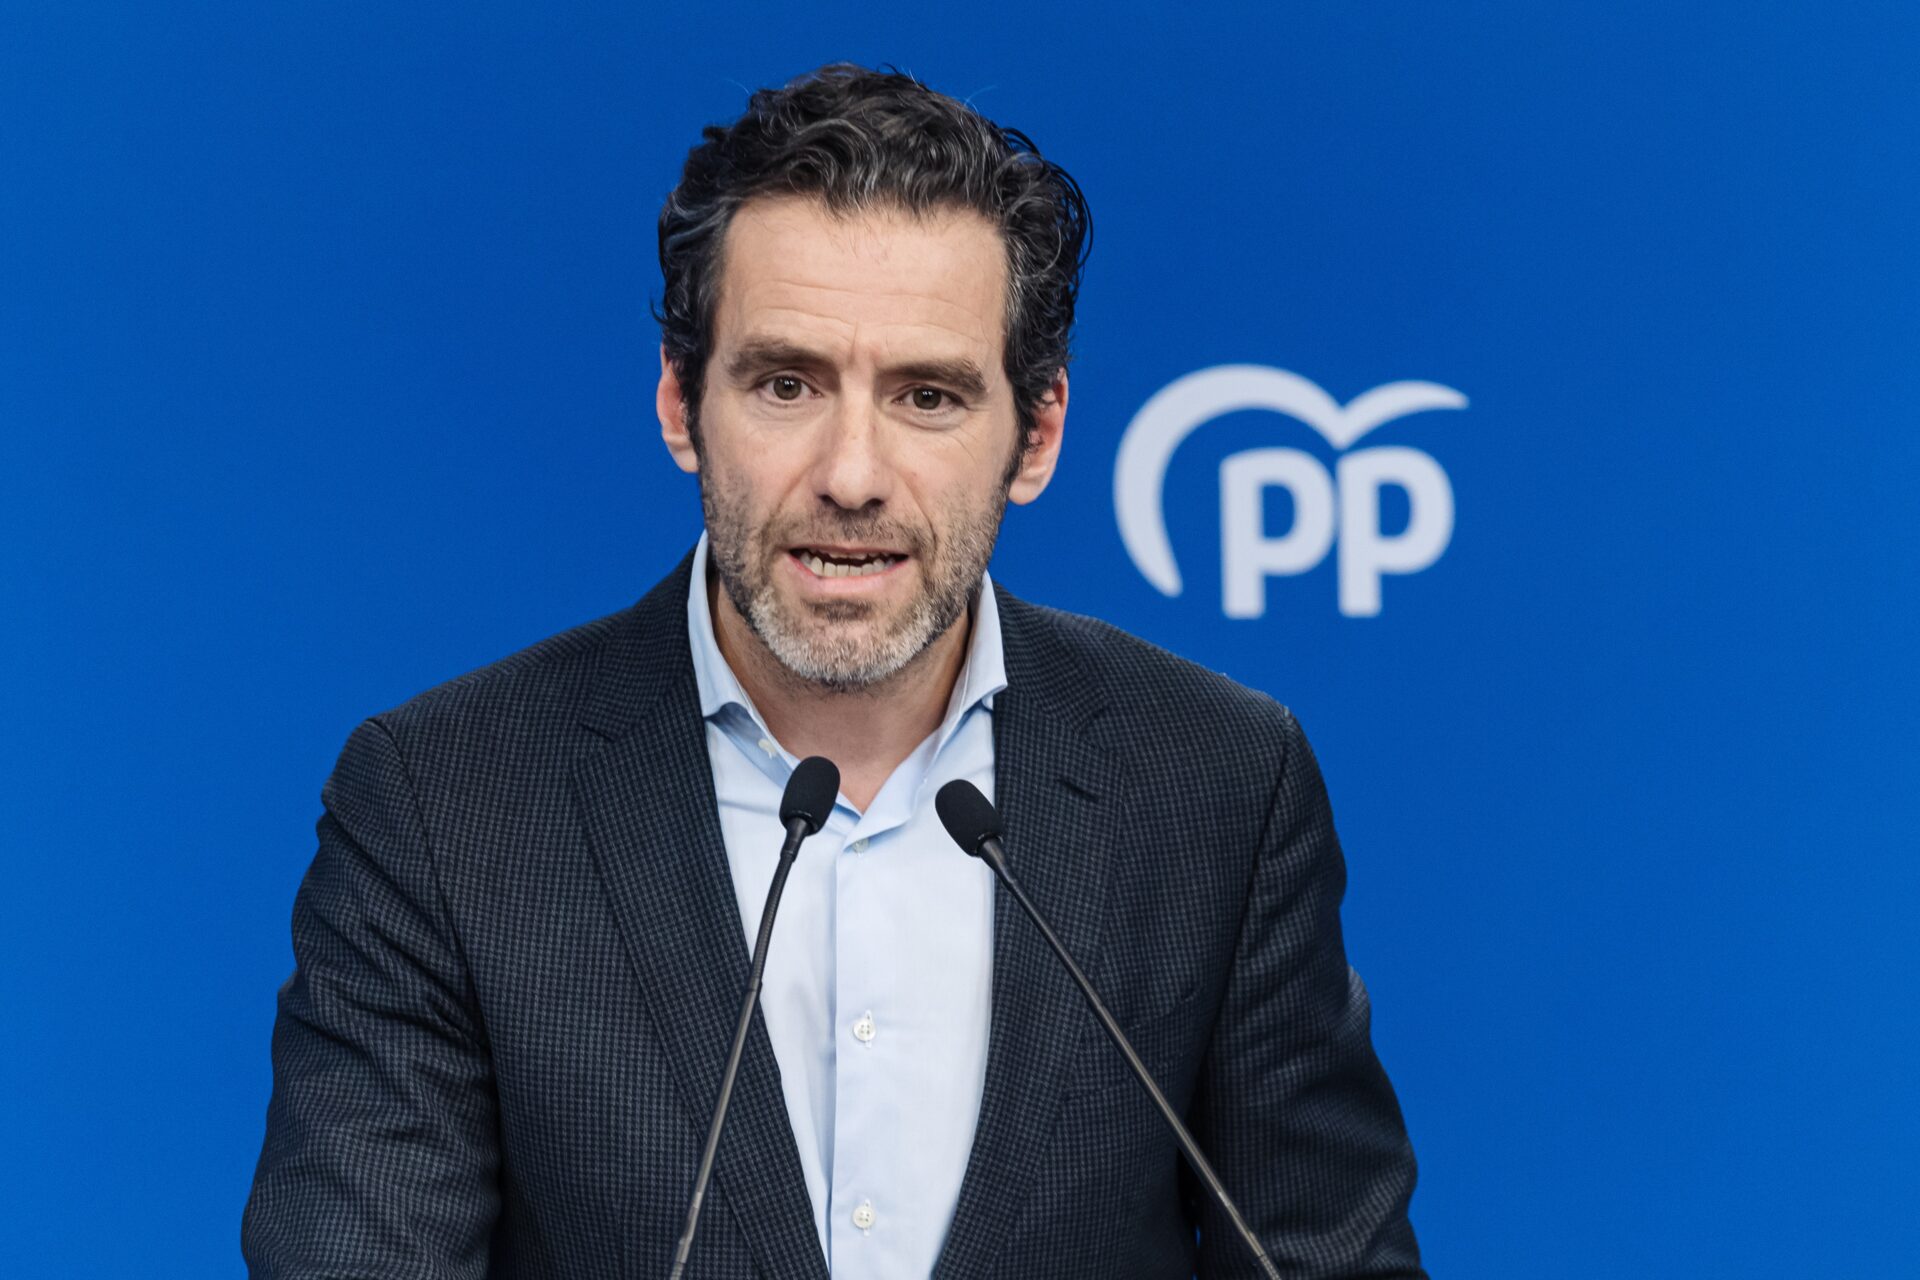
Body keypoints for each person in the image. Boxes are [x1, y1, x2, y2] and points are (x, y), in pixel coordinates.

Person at [243, 63, 1425, 1279]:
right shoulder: (442, 803)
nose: (852, 474)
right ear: (681, 405)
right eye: (787, 383)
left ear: (1037, 434)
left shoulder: (1221, 781)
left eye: (928, 395)